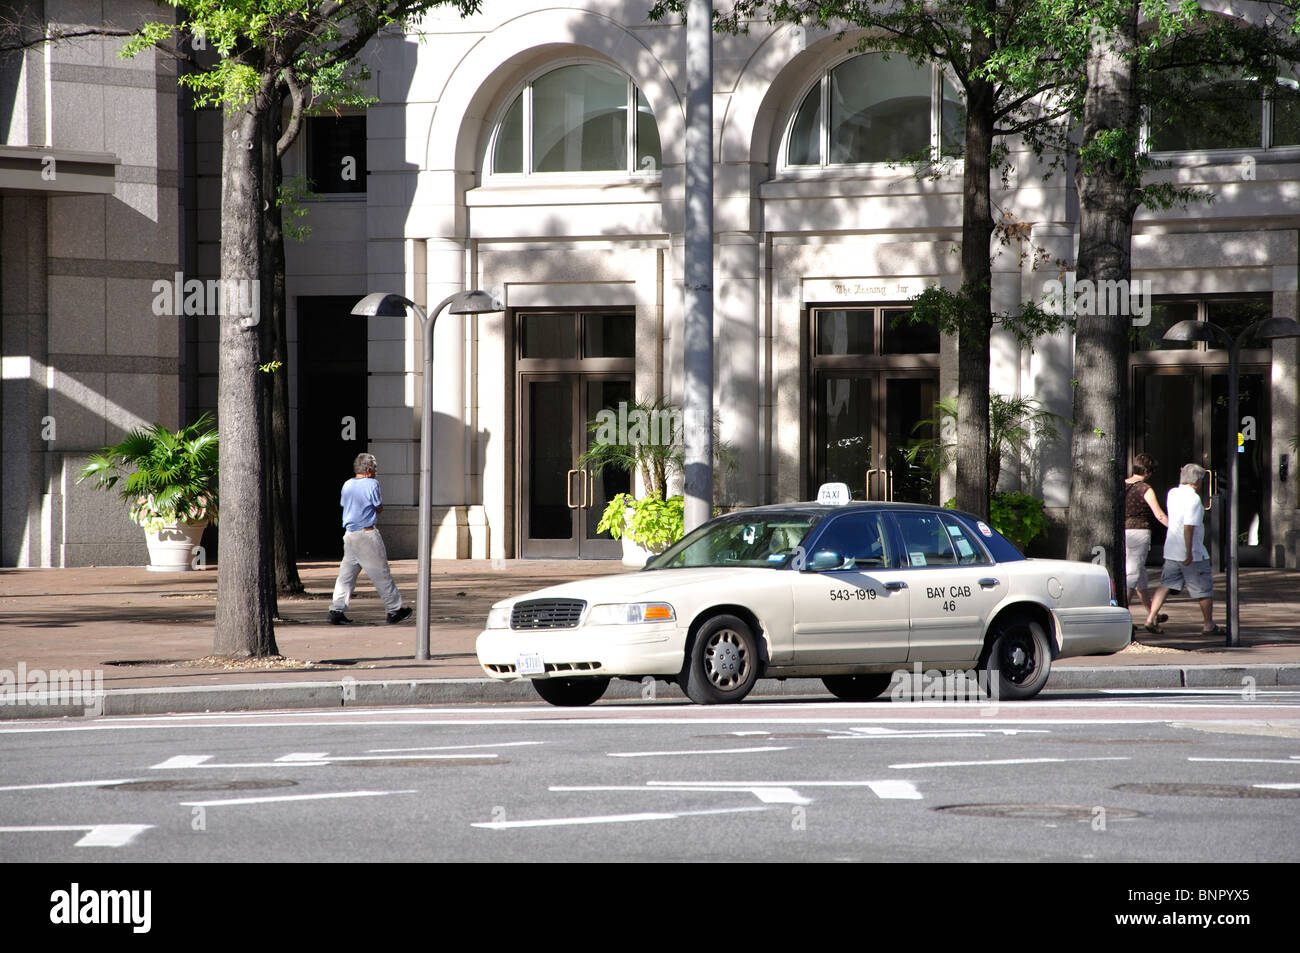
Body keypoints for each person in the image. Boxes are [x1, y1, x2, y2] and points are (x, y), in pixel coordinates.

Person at [327, 452, 412, 625]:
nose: (375, 471)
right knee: (381, 572)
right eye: (374, 468)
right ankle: (394, 609)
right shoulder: (372, 484)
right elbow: (378, 506)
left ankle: (336, 609)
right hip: (367, 534)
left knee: (346, 575)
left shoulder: (347, 484)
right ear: (368, 469)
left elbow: (344, 504)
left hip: (350, 535)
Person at [1144, 462, 1221, 636]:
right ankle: (1208, 624)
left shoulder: (1173, 493)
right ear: (1198, 481)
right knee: (1203, 589)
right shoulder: (1193, 498)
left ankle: (1151, 617)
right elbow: (1189, 527)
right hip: (1192, 552)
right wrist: (1188, 552)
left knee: (1166, 584)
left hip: (1171, 549)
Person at [1124, 453, 1169, 620]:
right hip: (1139, 532)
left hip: (1123, 532)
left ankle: (1151, 613)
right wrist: (1175, 529)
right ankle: (1123, 614)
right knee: (1132, 575)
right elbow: (1159, 515)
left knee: (1140, 574)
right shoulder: (1145, 488)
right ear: (1148, 472)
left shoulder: (1122, 485)